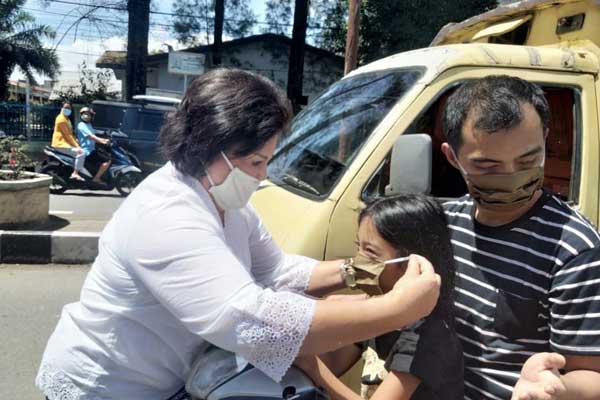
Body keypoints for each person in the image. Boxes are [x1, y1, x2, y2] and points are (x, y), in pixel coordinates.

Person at [35, 69, 441, 400]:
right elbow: (254, 321)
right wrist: (398, 310)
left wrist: (357, 271)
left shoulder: (228, 204)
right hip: (108, 385)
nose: (263, 175)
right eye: (255, 161)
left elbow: (279, 271)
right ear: (210, 146)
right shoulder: (167, 215)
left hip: (173, 376)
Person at [440, 75, 600, 399]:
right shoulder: (444, 223)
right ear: (452, 157)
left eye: (528, 160)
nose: (512, 177)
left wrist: (552, 388)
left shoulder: (573, 249)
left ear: (544, 138)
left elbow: (592, 374)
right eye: (487, 165)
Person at [296, 194, 463, 400]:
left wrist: (312, 367)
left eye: (370, 253)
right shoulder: (380, 309)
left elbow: (318, 369)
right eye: (359, 248)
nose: (358, 263)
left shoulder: (426, 337)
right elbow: (333, 359)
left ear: (413, 263)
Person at [76, 107, 111, 185]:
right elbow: (91, 136)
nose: (86, 116)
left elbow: (95, 132)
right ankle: (96, 178)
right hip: (87, 150)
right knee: (107, 160)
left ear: (91, 116)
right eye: (84, 114)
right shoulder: (81, 125)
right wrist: (102, 141)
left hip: (92, 148)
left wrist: (105, 133)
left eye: (88, 114)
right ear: (81, 115)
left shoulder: (88, 125)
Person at [51, 102, 85, 181]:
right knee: (81, 152)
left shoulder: (66, 119)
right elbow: (68, 135)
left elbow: (70, 134)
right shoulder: (61, 119)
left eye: (69, 108)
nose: (68, 109)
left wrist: (77, 141)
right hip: (60, 144)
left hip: (65, 143)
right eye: (66, 107)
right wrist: (77, 146)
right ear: (62, 108)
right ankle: (75, 173)